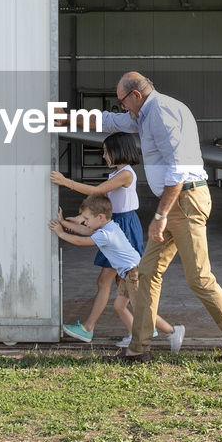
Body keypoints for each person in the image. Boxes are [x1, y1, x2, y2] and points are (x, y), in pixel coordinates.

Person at [93, 72, 222, 363]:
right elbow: (112, 121)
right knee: (147, 273)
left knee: (199, 279)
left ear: (136, 96)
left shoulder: (161, 113)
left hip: (185, 200)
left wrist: (160, 215)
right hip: (175, 202)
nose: (122, 108)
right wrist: (64, 116)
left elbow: (179, 169)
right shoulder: (146, 114)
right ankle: (138, 349)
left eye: (122, 102)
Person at [51, 132, 181, 348]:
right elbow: (102, 204)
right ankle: (145, 330)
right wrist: (82, 219)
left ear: (117, 151)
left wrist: (66, 182)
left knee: (113, 284)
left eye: (105, 151)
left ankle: (91, 328)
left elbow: (96, 191)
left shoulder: (126, 174)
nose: (103, 156)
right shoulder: (117, 174)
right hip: (116, 223)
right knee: (120, 288)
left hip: (123, 226)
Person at [49, 195, 185, 354]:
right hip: (129, 274)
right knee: (119, 306)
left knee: (142, 311)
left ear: (100, 217)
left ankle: (173, 332)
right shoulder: (109, 226)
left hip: (134, 274)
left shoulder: (106, 235)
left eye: (86, 218)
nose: (84, 221)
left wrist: (60, 233)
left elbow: (81, 241)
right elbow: (86, 230)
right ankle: (134, 335)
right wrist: (63, 223)